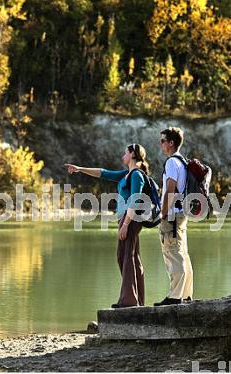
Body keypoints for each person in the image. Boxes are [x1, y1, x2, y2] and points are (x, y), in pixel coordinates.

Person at [64, 144, 151, 308]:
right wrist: (79, 169)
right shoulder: (127, 174)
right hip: (126, 219)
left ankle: (129, 301)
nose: (122, 156)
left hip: (130, 219)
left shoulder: (136, 175)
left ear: (132, 154)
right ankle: (135, 300)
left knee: (126, 257)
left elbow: (135, 199)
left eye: (125, 152)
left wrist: (125, 224)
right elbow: (102, 173)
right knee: (129, 257)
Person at [154, 127, 194, 306]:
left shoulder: (171, 162)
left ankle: (175, 297)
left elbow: (170, 189)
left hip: (171, 215)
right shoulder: (183, 162)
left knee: (173, 254)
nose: (160, 144)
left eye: (163, 140)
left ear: (171, 143)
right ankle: (185, 294)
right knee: (182, 253)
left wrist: (162, 214)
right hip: (181, 214)